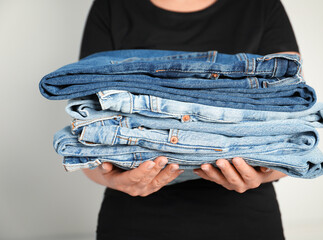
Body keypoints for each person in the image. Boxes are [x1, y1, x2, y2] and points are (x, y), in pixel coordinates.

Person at [79, 0, 299, 239]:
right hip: (134, 217)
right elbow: (87, 131)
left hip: (246, 218)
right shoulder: (112, 5)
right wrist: (114, 179)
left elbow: (294, 125)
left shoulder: (261, 5)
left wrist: (265, 173)